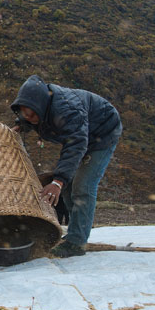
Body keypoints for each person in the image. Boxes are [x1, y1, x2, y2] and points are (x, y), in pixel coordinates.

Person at [10, 74, 122, 258]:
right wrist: (20, 126)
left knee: (83, 186)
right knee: (69, 189)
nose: (29, 118)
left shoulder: (68, 111)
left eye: (31, 115)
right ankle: (75, 231)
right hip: (83, 134)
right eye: (24, 115)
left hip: (103, 132)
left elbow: (76, 145)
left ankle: (76, 243)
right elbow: (28, 114)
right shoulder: (40, 106)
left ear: (41, 105)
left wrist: (58, 181)